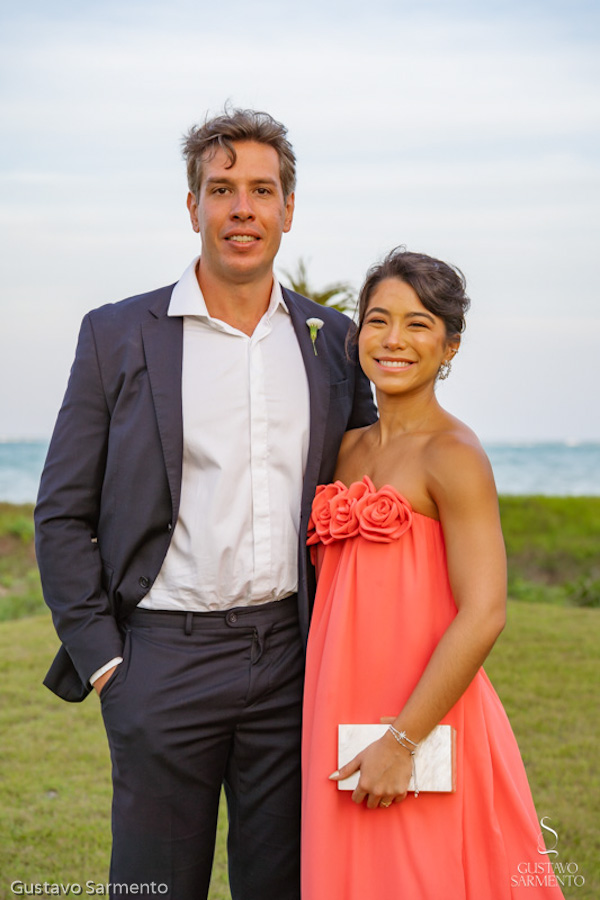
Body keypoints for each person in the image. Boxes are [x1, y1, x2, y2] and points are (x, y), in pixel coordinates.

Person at [34, 107, 376, 900]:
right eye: (222, 190)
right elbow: (61, 512)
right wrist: (108, 663)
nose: (242, 209)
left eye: (261, 190)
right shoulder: (117, 335)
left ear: (289, 208)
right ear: (193, 207)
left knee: (285, 884)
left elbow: (368, 489)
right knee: (153, 886)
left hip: (293, 659)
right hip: (161, 661)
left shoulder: (334, 341)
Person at [301, 248, 565, 899]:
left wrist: (402, 741)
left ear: (450, 346)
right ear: (357, 334)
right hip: (336, 706)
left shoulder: (454, 454)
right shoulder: (347, 449)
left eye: (418, 324)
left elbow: (485, 612)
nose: (393, 339)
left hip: (420, 718)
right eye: (378, 320)